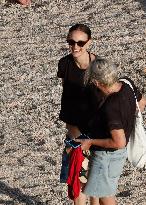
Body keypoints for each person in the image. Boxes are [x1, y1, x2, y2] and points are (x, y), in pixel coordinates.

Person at [75, 58, 146, 205]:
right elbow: (141, 102)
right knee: (104, 194)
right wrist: (127, 121)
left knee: (107, 198)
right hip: (117, 157)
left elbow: (119, 142)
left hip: (106, 157)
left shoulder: (110, 106)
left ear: (96, 82)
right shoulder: (126, 85)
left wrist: (90, 142)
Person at [57, 24, 104, 204]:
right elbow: (66, 94)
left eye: (80, 42)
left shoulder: (99, 66)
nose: (75, 46)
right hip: (75, 130)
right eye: (71, 41)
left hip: (97, 131)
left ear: (89, 42)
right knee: (77, 183)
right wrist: (74, 135)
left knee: (95, 184)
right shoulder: (64, 63)